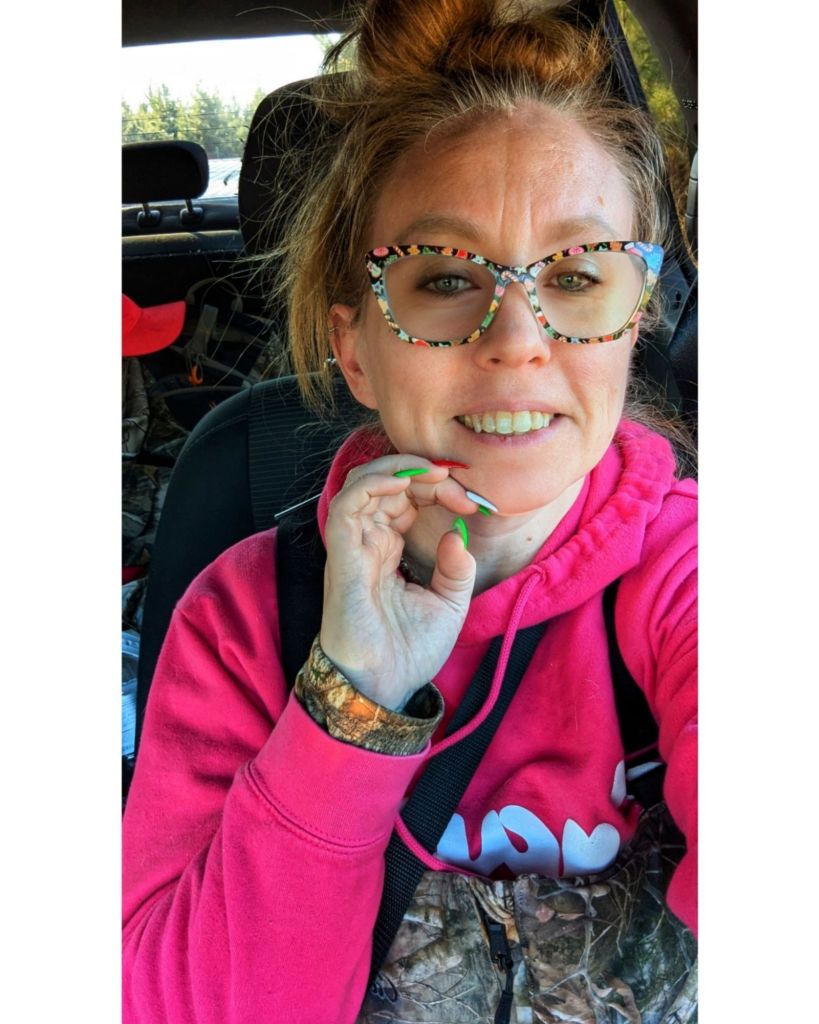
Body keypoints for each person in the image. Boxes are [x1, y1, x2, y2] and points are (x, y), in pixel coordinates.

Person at [122, 1, 697, 1021]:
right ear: (354, 352)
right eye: (441, 278)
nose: (519, 336)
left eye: (576, 275)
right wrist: (351, 697)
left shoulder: (699, 571)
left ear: (634, 319)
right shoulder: (243, 615)